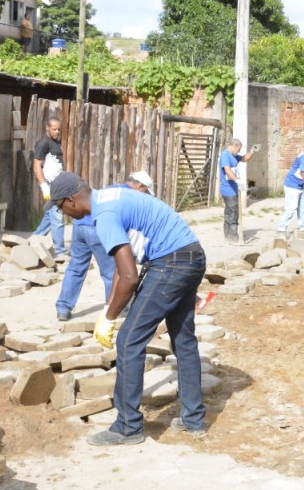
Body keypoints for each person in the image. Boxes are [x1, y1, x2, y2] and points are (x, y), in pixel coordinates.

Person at [50, 171, 208, 445]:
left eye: (60, 207)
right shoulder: (111, 197)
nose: (63, 213)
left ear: (71, 200)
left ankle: (128, 426)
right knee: (183, 340)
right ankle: (193, 420)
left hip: (170, 264)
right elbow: (120, 273)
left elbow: (130, 276)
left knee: (128, 341)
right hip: (192, 255)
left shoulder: (104, 215)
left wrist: (110, 319)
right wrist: (107, 311)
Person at [54, 172, 153, 322]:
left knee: (75, 267)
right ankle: (116, 308)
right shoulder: (125, 194)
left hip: (79, 226)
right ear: (140, 187)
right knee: (112, 271)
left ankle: (63, 308)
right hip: (96, 227)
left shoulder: (110, 188)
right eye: (146, 192)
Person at [31, 117, 66, 256]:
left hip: (57, 184)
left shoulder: (56, 142)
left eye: (59, 129)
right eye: (54, 129)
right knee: (57, 217)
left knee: (49, 216)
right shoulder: (43, 143)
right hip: (50, 185)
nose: (57, 131)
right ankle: (60, 251)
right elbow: (36, 166)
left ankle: (32, 241)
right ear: (47, 128)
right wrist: (44, 185)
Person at [219, 140, 259, 241]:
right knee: (234, 212)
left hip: (233, 189)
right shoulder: (225, 155)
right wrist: (238, 181)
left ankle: (227, 235)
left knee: (229, 211)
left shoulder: (233, 155)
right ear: (234, 146)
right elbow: (227, 170)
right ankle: (233, 236)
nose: (239, 151)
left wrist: (252, 151)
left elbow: (244, 158)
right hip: (228, 189)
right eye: (239, 149)